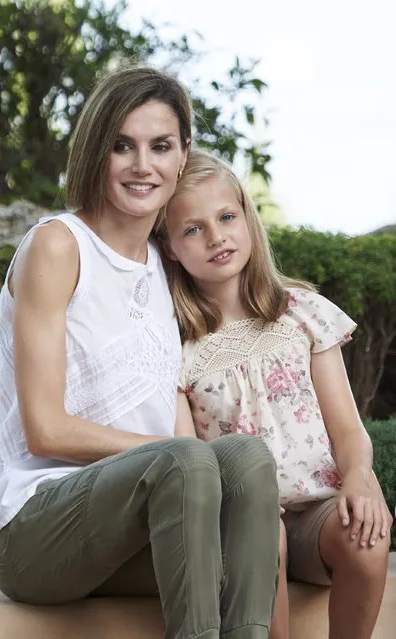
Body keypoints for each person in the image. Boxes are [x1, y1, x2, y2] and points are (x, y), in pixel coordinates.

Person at [0, 66, 281, 639]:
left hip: (129, 531)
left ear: (183, 156)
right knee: (189, 459)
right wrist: (176, 457)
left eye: (160, 146)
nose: (143, 166)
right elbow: (45, 431)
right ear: (97, 150)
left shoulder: (165, 268)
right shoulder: (58, 246)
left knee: (247, 460)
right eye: (123, 146)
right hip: (31, 527)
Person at [156, 148, 393, 639]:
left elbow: (347, 427)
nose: (217, 236)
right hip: (246, 520)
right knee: (268, 539)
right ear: (171, 247)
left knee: (367, 537)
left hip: (322, 508)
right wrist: (240, 506)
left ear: (247, 219)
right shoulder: (178, 349)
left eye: (226, 217)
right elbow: (189, 458)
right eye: (193, 229)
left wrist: (358, 477)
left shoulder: (301, 313)